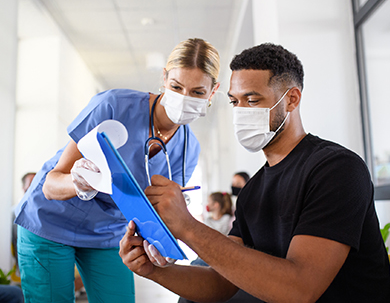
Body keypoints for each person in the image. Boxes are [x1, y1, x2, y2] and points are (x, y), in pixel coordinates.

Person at [119, 43, 390, 302]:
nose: (241, 112)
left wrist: (187, 226)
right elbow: (221, 282)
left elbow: (300, 289)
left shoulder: (335, 169)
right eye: (235, 102)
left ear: (292, 99)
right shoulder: (252, 191)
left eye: (252, 100)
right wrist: (153, 271)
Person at [14, 38, 220, 303]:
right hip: (49, 222)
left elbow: (162, 212)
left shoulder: (188, 149)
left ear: (212, 93)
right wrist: (79, 182)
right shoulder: (113, 106)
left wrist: (164, 246)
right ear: (164, 79)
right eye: (176, 87)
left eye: (197, 92)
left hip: (108, 235)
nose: (183, 98)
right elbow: (50, 184)